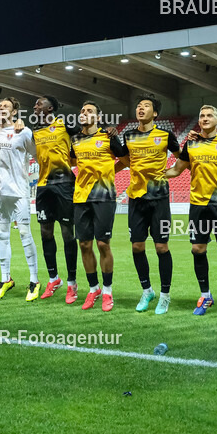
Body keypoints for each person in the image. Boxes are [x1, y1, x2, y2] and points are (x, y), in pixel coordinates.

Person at [165, 106, 217, 317]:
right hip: (198, 204)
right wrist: (155, 173)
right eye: (202, 116)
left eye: (209, 115)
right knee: (197, 249)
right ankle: (205, 295)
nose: (205, 118)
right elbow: (176, 170)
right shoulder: (191, 143)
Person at [118, 96, 180, 314]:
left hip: (159, 198)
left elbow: (183, 158)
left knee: (161, 247)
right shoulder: (128, 135)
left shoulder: (165, 135)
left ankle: (165, 295)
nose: (140, 108)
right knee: (137, 246)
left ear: (155, 113)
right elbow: (124, 160)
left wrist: (172, 172)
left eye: (145, 106)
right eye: (138, 106)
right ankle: (147, 291)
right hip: (136, 198)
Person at [71, 100, 128, 312]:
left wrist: (111, 171)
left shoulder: (108, 137)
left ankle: (107, 290)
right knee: (84, 245)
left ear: (98, 117)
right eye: (82, 110)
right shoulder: (75, 140)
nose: (84, 113)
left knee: (103, 244)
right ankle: (93, 288)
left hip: (104, 195)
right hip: (81, 197)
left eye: (89, 111)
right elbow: (72, 162)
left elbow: (125, 159)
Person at [0, 98, 39, 301]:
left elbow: (36, 153)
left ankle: (34, 281)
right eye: (0, 106)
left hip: (19, 190)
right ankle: (5, 279)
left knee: (25, 233)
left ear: (15, 111)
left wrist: (24, 125)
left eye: (6, 106)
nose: (2, 109)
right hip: (0, 191)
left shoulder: (23, 132)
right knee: (2, 234)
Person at [32, 95, 80, 302]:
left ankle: (72, 283)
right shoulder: (35, 132)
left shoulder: (65, 125)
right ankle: (53, 278)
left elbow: (87, 134)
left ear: (50, 108)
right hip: (43, 186)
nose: (35, 106)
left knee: (68, 233)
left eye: (39, 103)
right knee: (45, 232)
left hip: (65, 184)